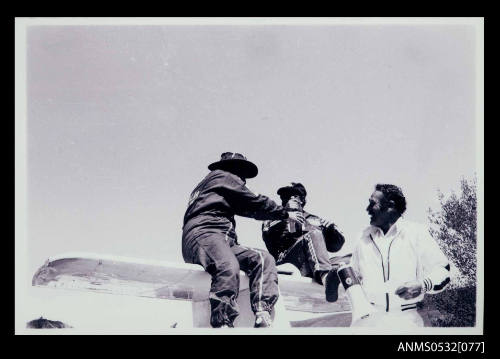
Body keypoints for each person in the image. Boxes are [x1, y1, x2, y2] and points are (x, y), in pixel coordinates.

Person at [182, 152, 305, 328]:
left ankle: (263, 312)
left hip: (222, 240)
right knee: (228, 265)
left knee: (263, 259)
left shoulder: (217, 187)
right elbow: (253, 201)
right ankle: (222, 322)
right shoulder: (222, 176)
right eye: (242, 172)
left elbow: (251, 209)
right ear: (232, 168)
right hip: (204, 235)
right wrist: (285, 214)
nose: (244, 179)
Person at [349, 184, 451, 327]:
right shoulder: (362, 237)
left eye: (372, 204)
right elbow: (353, 278)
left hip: (406, 323)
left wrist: (422, 285)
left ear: (390, 206)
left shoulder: (416, 233)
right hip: (366, 323)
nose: (367, 209)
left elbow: (443, 271)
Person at [261, 182, 345, 302]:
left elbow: (335, 246)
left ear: (302, 200)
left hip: (315, 263)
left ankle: (349, 285)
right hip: (287, 261)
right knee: (313, 233)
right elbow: (268, 235)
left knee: (345, 261)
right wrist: (287, 216)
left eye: (294, 195)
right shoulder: (273, 218)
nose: (289, 199)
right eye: (285, 196)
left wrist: (331, 231)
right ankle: (327, 279)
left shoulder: (314, 219)